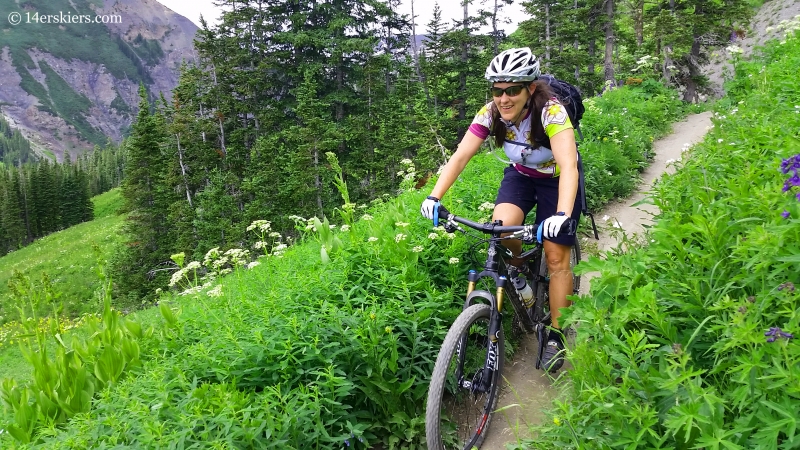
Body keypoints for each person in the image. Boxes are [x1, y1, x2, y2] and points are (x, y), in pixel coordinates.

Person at [420, 47, 580, 372]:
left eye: (512, 90)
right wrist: (434, 197)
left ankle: (557, 334)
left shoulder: (551, 113)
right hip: (521, 176)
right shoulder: (491, 112)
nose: (504, 98)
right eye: (497, 90)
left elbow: (568, 165)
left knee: (555, 255)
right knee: (502, 228)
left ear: (530, 89)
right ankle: (520, 273)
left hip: (557, 181)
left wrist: (562, 215)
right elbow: (461, 156)